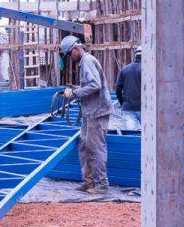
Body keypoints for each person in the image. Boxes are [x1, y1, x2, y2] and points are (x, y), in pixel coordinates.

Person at [61, 36, 112, 194]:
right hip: (90, 113)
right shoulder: (84, 62)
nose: (70, 58)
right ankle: (89, 182)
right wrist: (75, 88)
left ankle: (101, 184)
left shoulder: (87, 61)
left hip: (97, 112)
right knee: (84, 145)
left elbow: (94, 85)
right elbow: (89, 85)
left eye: (70, 54)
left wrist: (75, 93)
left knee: (96, 147)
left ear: (76, 49)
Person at [116, 47, 142, 130]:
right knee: (149, 136)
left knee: (132, 136)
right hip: (145, 108)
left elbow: (118, 90)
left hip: (128, 108)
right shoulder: (149, 69)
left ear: (134, 56)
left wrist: (122, 103)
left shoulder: (124, 69)